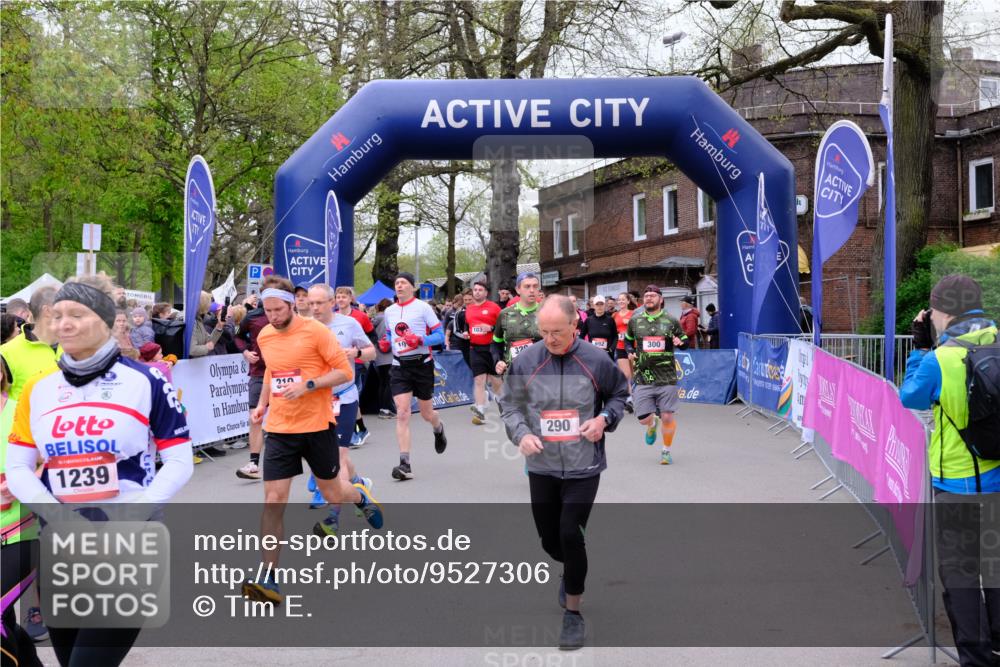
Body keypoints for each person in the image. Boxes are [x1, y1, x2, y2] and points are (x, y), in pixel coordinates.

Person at [6, 274, 193, 667]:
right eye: (58, 315)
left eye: (77, 315)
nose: (64, 324)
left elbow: (179, 459)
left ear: (106, 321)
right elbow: (18, 466)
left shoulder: (145, 381)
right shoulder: (39, 389)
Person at [499, 295, 629, 651]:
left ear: (575, 325)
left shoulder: (596, 360)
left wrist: (604, 420)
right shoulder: (527, 360)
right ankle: (571, 566)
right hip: (542, 465)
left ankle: (573, 612)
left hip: (583, 465)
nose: (550, 339)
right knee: (549, 539)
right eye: (544, 332)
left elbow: (619, 395)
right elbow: (509, 404)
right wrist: (521, 434)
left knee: (571, 533)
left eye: (557, 331)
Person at [242, 277, 382, 606]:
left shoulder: (316, 331)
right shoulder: (265, 335)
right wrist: (262, 404)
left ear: (293, 304)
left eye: (278, 310)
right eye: (267, 310)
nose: (273, 316)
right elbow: (272, 373)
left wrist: (309, 385)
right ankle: (268, 577)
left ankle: (359, 496)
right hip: (280, 428)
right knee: (273, 500)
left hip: (317, 425)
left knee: (333, 492)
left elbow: (345, 372)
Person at [899, 274, 999, 667]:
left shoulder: (939, 359)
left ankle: (976, 658)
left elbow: (911, 397)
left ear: (943, 312)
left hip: (956, 483)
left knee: (961, 576)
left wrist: (920, 348)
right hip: (997, 479)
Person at [305, 284, 377, 536]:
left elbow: (372, 352)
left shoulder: (349, 324)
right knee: (325, 455)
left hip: (344, 397)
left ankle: (332, 518)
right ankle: (359, 484)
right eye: (311, 303)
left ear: (332, 302)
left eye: (319, 303)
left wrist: (356, 352)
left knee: (338, 456)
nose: (314, 308)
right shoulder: (304, 327)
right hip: (316, 401)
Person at [378, 272, 447, 481]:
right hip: (399, 366)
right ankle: (405, 464)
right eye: (397, 283)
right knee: (402, 413)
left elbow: (439, 336)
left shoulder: (423, 307)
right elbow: (390, 334)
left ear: (412, 287)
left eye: (403, 283)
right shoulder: (389, 311)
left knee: (427, 413)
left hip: (422, 365)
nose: (399, 286)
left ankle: (438, 427)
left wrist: (420, 340)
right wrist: (386, 342)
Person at [625, 285, 688, 465]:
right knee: (643, 419)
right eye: (646, 296)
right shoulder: (635, 321)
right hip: (644, 375)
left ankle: (666, 451)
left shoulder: (671, 320)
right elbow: (628, 340)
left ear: (660, 299)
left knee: (667, 416)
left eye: (653, 295)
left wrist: (680, 342)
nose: (649, 298)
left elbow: (684, 341)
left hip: (666, 376)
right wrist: (630, 351)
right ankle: (652, 424)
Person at [235, 276, 283, 481]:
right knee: (255, 417)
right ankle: (254, 463)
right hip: (259, 373)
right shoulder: (252, 316)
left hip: (284, 373)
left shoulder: (290, 316)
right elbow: (238, 336)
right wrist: (246, 352)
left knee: (285, 417)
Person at [336, 287, 377, 446]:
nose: (341, 300)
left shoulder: (360, 316)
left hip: (357, 363)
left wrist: (359, 351)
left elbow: (372, 336)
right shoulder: (333, 318)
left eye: (344, 297)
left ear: (350, 299)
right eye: (338, 297)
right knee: (348, 399)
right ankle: (361, 429)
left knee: (351, 398)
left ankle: (355, 431)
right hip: (338, 366)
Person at [466, 279, 503, 425]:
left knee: (496, 381)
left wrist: (491, 328)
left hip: (492, 348)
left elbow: (504, 326)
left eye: (480, 290)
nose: (477, 292)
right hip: (475, 348)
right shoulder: (469, 308)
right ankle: (480, 411)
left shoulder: (494, 308)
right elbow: (468, 325)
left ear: (486, 293)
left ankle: (501, 402)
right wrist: (466, 333)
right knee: (479, 380)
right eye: (475, 290)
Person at [493, 272, 543, 376]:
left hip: (540, 372)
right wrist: (498, 361)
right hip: (513, 373)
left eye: (535, 286)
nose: (532, 290)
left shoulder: (547, 312)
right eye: (527, 286)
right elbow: (496, 343)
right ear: (518, 289)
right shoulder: (505, 314)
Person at [613, 292, 638, 413]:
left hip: (632, 347)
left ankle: (636, 396)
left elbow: (639, 328)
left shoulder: (633, 314)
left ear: (628, 301)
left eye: (623, 299)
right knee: (625, 375)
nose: (621, 301)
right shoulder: (615, 315)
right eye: (619, 299)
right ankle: (629, 399)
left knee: (634, 375)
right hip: (620, 346)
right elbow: (613, 330)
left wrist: (631, 324)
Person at [372, 298, 396, 419]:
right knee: (388, 383)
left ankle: (383, 408)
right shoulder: (387, 319)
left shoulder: (375, 319)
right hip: (388, 354)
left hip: (378, 354)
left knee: (382, 383)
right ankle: (386, 409)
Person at [189, 291, 225, 358]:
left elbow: (209, 341)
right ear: (203, 305)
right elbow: (192, 350)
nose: (210, 305)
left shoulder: (198, 319)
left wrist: (219, 326)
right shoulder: (192, 321)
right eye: (209, 302)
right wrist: (206, 347)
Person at [580, 295, 617, 360]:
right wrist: (586, 349)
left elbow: (615, 336)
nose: (599, 307)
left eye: (601, 304)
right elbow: (581, 337)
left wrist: (611, 349)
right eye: (597, 304)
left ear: (605, 305)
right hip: (593, 354)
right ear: (594, 306)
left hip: (607, 355)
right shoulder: (589, 320)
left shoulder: (610, 320)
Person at [446, 290, 472, 370]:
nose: (467, 302)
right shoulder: (459, 313)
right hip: (465, 344)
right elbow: (455, 330)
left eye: (470, 299)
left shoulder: (480, 310)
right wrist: (466, 337)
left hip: (481, 344)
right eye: (465, 300)